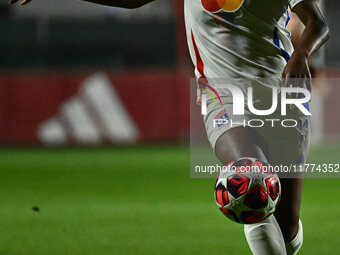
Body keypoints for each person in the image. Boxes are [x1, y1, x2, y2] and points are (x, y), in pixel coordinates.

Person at [9, 0, 329, 254]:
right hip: (224, 98)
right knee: (249, 179)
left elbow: (317, 23)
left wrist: (301, 55)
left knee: (286, 230)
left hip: (281, 97)